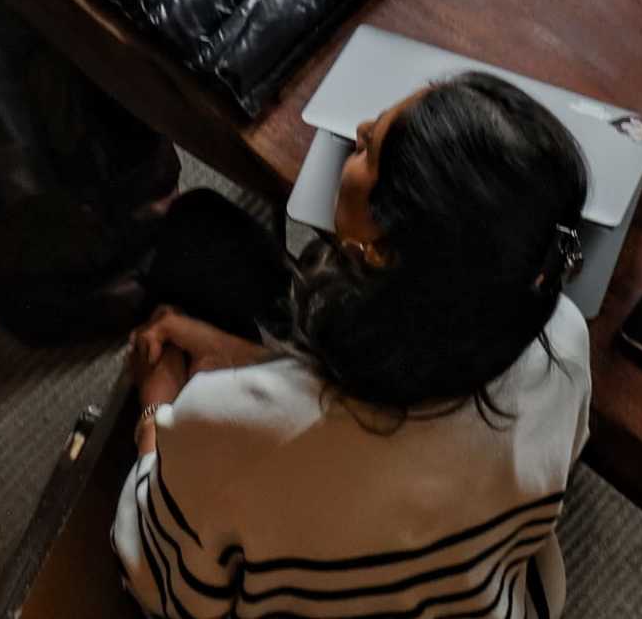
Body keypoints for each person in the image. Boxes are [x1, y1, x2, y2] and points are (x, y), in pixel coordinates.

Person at [115, 75, 594, 619]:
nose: (359, 129)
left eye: (368, 149)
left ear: (381, 249)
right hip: (489, 590)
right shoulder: (565, 339)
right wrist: (256, 367)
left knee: (199, 234)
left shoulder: (232, 428)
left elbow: (159, 585)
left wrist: (159, 410)